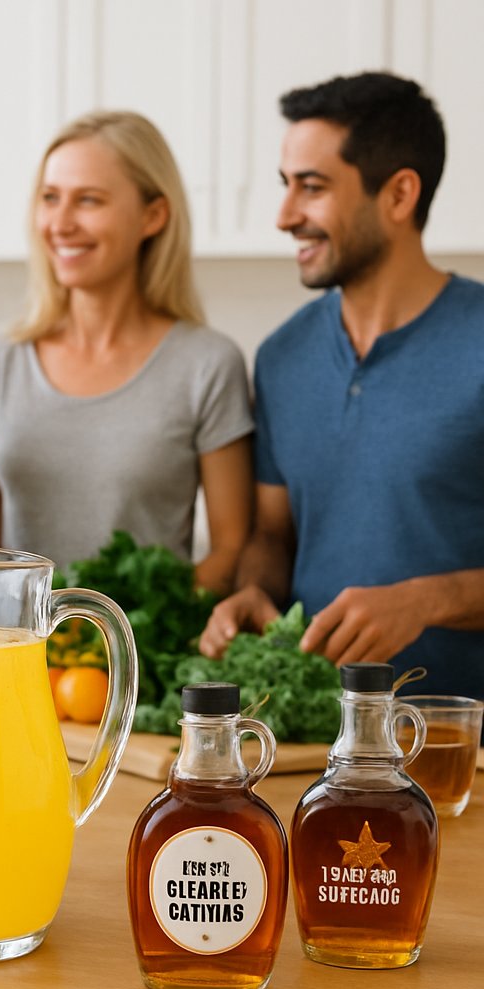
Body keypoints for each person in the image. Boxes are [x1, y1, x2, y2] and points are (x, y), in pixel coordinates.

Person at [199, 71, 484, 700]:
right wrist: (254, 591)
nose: (284, 216)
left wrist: (425, 601)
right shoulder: (282, 357)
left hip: (466, 746)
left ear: (400, 194)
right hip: (323, 742)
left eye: (313, 187)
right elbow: (275, 534)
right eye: (285, 186)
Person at [0, 111, 253, 594]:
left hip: (143, 660)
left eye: (89, 201)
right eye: (50, 198)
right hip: (18, 657)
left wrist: (124, 633)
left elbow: (230, 550)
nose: (60, 223)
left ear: (153, 216)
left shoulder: (207, 365)